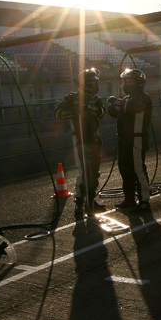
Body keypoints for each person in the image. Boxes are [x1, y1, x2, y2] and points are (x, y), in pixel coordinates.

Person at [54, 68, 106, 215]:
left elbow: (101, 112)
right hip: (79, 139)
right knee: (84, 172)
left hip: (94, 139)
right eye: (89, 83)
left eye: (94, 83)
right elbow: (57, 114)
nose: (92, 86)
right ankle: (79, 202)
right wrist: (75, 110)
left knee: (94, 173)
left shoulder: (96, 99)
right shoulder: (71, 98)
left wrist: (87, 108)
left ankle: (91, 200)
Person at [107, 68, 152, 212]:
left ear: (138, 82)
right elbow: (114, 112)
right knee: (125, 170)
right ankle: (129, 199)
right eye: (125, 80)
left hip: (137, 140)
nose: (126, 83)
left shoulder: (143, 98)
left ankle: (144, 200)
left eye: (130, 80)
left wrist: (116, 103)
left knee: (138, 170)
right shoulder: (127, 98)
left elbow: (132, 108)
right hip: (124, 141)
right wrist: (113, 105)